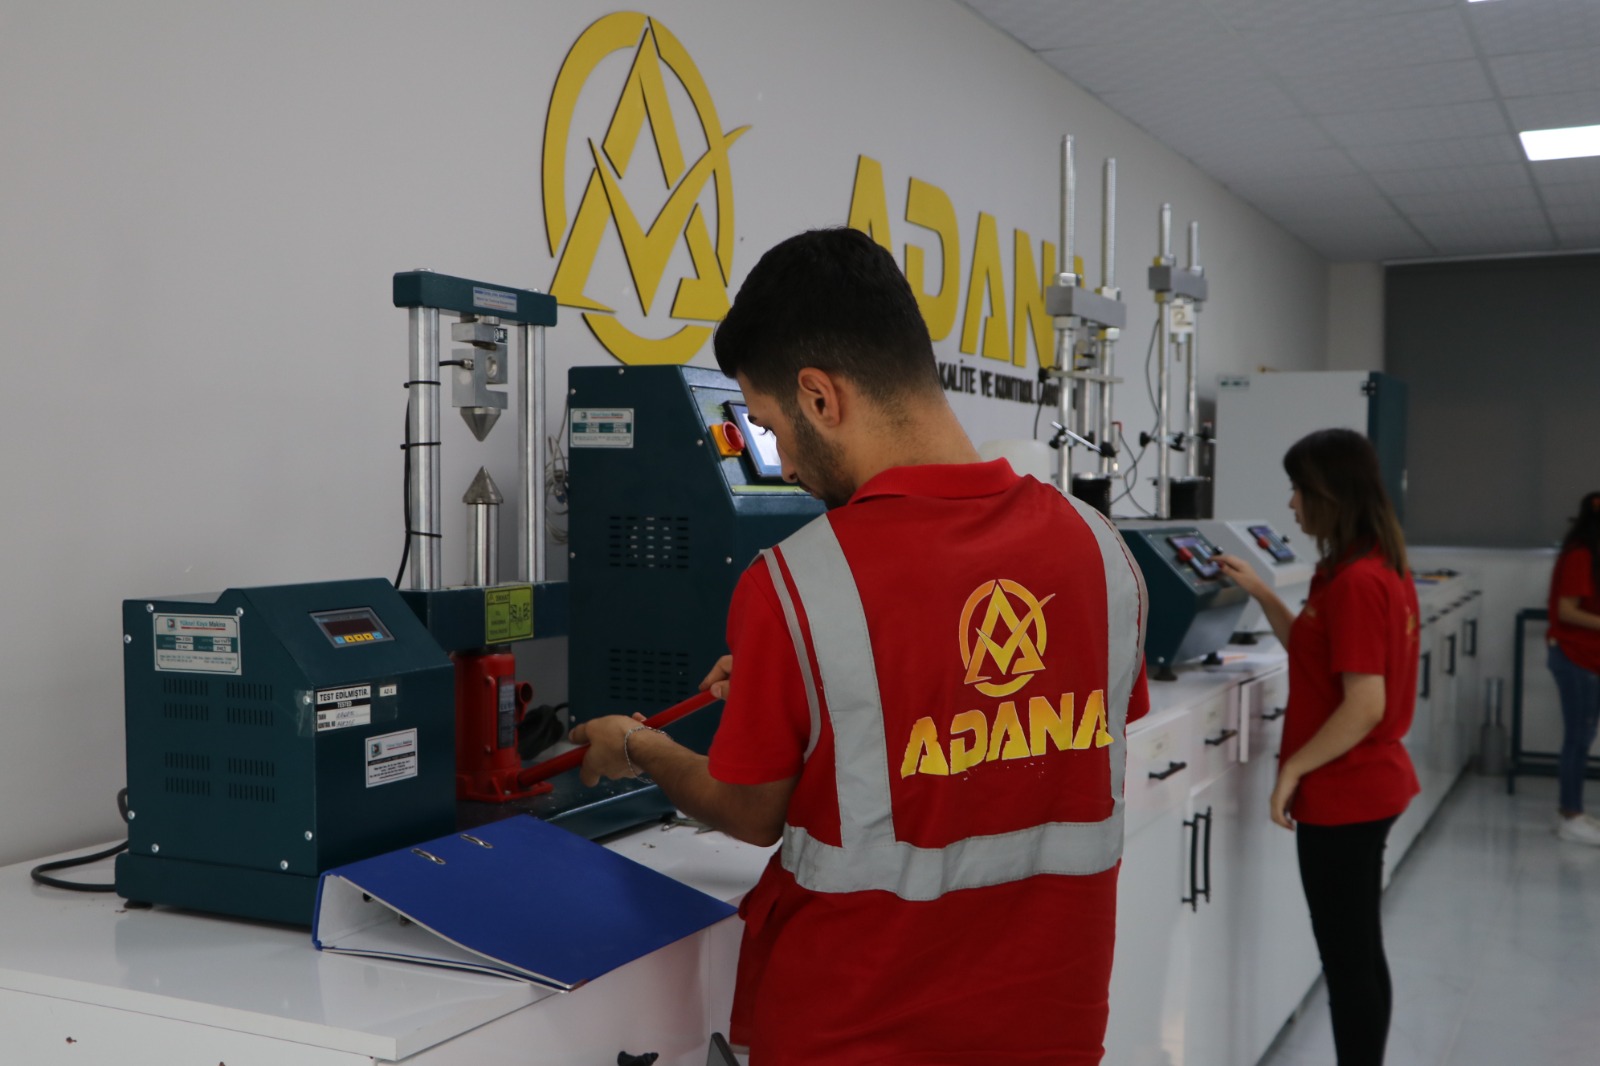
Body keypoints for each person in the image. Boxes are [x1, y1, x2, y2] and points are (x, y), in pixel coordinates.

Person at [570, 227, 1149, 1065]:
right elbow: (1029, 731)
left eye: (770, 427)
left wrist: (636, 746)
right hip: (1051, 1030)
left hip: (854, 1030)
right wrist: (806, 692)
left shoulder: (796, 583)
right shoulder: (1101, 552)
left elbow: (751, 813)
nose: (783, 464)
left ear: (819, 397)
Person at [1215, 428, 1419, 1066]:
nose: (1291, 503)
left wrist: (1292, 771)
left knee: (1348, 962)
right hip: (1368, 785)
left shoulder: (1356, 583)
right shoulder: (1366, 568)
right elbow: (1315, 650)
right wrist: (1261, 591)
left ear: (1329, 495)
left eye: (1298, 489)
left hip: (1346, 793)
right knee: (1360, 952)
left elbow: (1365, 703)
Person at [1546, 491, 1600, 845]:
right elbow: (1567, 610)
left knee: (1582, 736)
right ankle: (1570, 816)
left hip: (1588, 658)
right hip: (1575, 657)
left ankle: (1572, 810)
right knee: (1578, 738)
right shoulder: (1581, 555)